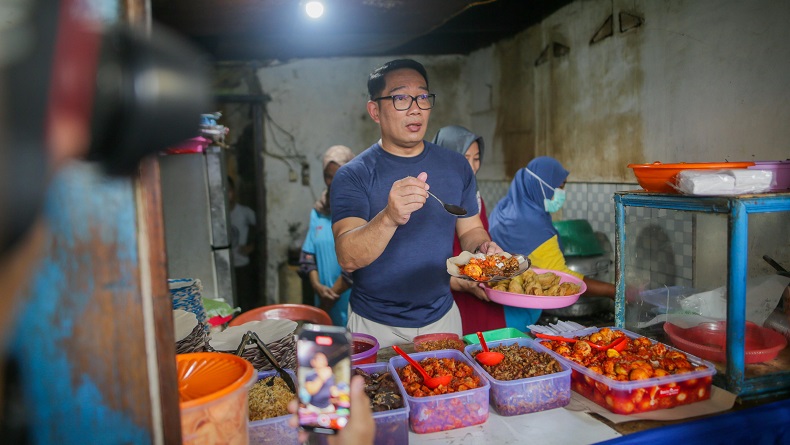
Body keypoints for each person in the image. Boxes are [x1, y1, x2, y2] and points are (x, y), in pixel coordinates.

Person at [330, 59, 502, 348]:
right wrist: (389, 217)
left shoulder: (456, 166)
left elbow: (471, 230)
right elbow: (348, 257)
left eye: (423, 96)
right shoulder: (353, 175)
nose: (415, 108)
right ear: (375, 111)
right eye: (400, 98)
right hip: (375, 325)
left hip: (443, 318)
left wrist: (483, 249)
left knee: (452, 393)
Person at [488, 156, 616, 330]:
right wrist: (611, 291)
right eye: (560, 186)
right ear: (542, 186)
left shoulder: (505, 207)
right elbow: (559, 274)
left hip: (491, 306)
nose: (562, 193)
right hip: (515, 315)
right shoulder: (534, 227)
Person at [432, 125, 507, 334]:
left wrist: (485, 248)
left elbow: (474, 235)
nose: (472, 167)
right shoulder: (431, 199)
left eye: (476, 158)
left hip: (480, 291)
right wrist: (458, 282)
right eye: (466, 157)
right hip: (447, 298)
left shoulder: (475, 197)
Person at [298, 145, 355, 326]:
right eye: (327, 176)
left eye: (337, 175)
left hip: (350, 304)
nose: (331, 182)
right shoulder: (318, 212)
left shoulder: (359, 209)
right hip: (323, 302)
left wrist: (330, 298)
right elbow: (308, 257)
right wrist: (317, 287)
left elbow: (358, 261)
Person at [227, 176, 259, 311]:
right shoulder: (215, 214)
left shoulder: (244, 212)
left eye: (229, 190)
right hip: (224, 266)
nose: (226, 194)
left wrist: (252, 246)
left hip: (242, 265)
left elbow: (260, 230)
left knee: (245, 302)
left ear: (234, 191)